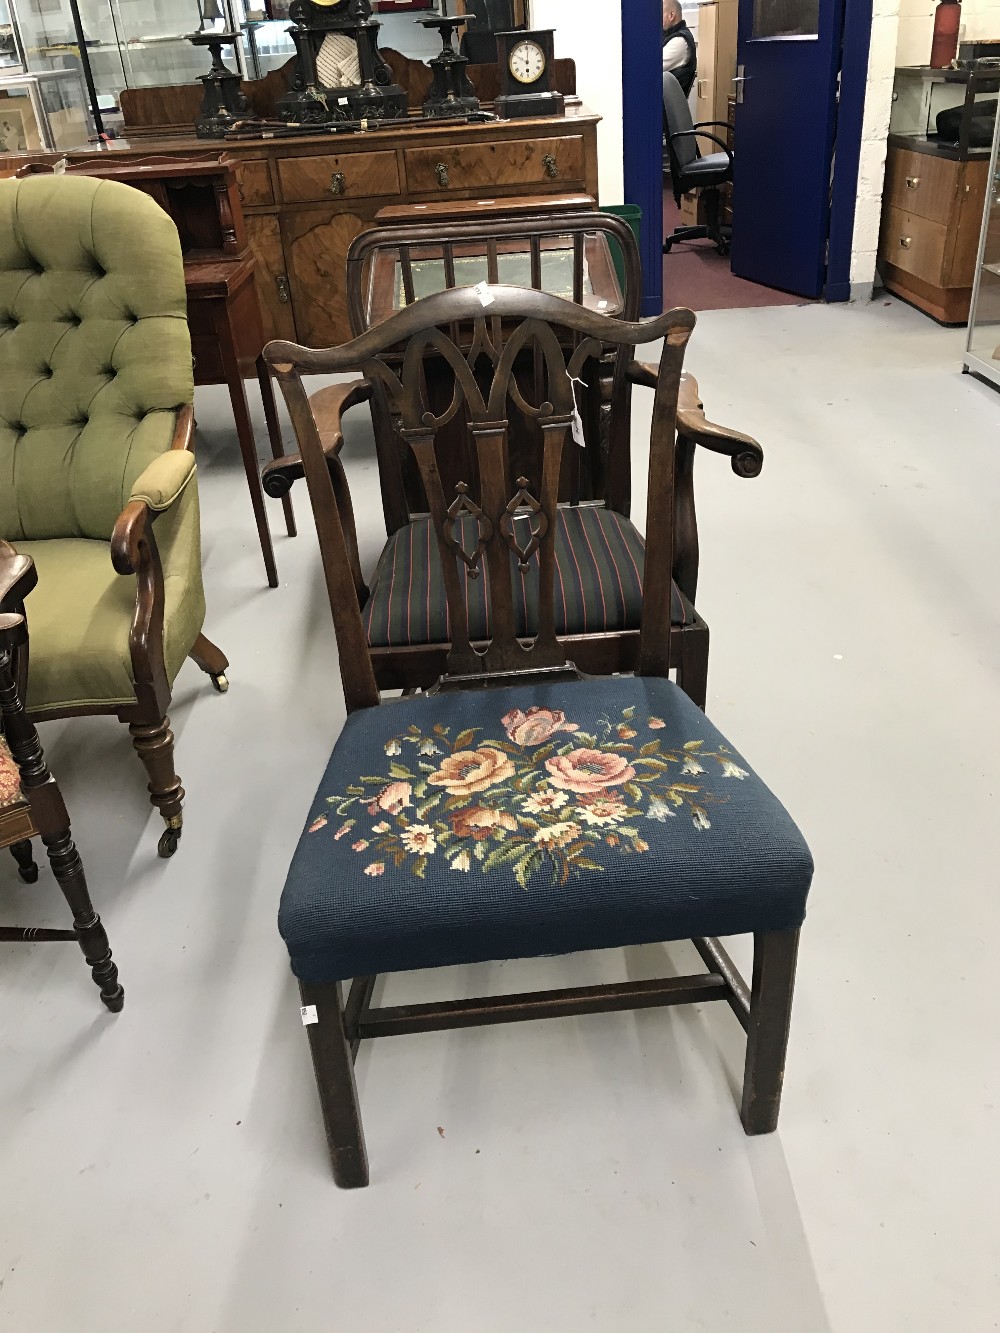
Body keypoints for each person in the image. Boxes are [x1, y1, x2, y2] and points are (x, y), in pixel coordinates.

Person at [662, 0, 697, 97]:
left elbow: (650, 69)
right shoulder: (669, 36)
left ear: (671, 15)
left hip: (666, 109)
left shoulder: (679, 41)